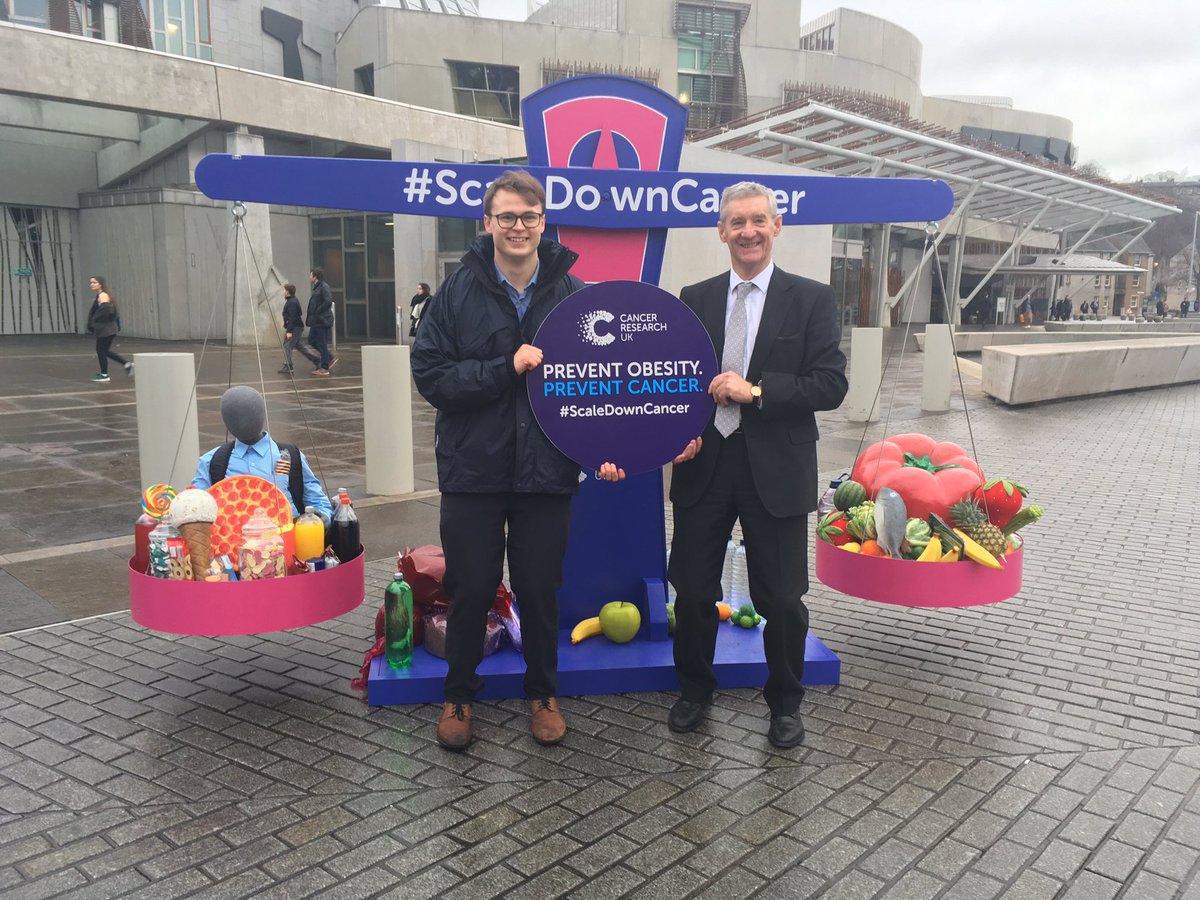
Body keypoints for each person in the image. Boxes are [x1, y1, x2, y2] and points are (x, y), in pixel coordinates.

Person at [412, 170, 622, 752]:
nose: (518, 227)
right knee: (470, 588)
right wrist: (505, 368)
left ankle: (543, 694)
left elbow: (601, 386)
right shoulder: (456, 291)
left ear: (543, 222)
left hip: (546, 472)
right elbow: (431, 375)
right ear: (488, 223)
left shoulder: (574, 294)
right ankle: (458, 697)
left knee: (539, 590)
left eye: (529, 216)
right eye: (506, 216)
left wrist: (606, 451)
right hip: (472, 471)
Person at [666, 181, 848, 749]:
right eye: (737, 222)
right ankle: (695, 691)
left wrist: (759, 390)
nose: (748, 231)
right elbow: (677, 380)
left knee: (782, 599)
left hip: (777, 470)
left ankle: (785, 703)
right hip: (705, 463)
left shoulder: (812, 298)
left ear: (776, 226)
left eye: (758, 221)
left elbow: (831, 384)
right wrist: (677, 432)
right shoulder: (694, 297)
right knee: (692, 590)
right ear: (721, 231)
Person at [190, 385, 333, 521]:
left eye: (249, 414)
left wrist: (323, 519)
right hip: (231, 537)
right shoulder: (211, 462)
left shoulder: (290, 456)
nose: (243, 422)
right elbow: (194, 511)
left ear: (261, 415)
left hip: (287, 535)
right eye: (234, 416)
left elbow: (317, 500)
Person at [85, 275, 133, 383]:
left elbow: (107, 309)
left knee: (101, 350)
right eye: (91, 282)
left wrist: (94, 320)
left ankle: (104, 374)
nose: (92, 284)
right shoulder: (100, 295)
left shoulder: (103, 295)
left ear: (100, 284)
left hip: (106, 329)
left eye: (94, 282)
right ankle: (127, 364)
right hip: (106, 329)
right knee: (104, 351)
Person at [305, 267, 337, 377]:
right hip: (317, 320)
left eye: (311, 275)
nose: (309, 277)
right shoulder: (317, 288)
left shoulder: (324, 287)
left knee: (322, 343)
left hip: (322, 320)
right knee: (311, 340)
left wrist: (318, 311)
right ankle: (330, 358)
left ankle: (324, 368)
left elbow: (328, 301)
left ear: (315, 277)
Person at [278, 283, 312, 374]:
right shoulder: (292, 300)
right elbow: (298, 313)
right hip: (295, 327)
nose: (283, 292)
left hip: (295, 328)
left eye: (284, 290)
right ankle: (316, 360)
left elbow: (293, 317)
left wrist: (289, 331)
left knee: (287, 346)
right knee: (299, 346)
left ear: (288, 292)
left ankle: (289, 366)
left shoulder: (292, 302)